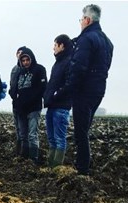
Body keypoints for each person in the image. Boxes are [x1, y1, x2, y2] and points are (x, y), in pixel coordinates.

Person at [68, 4, 113, 176]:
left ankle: (82, 170)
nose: (80, 23)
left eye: (81, 20)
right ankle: (84, 164)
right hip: (99, 89)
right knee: (84, 129)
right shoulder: (107, 41)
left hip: (84, 90)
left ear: (87, 20)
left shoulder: (86, 39)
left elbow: (78, 67)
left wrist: (71, 87)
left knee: (81, 131)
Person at [10, 47, 47, 163]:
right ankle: (24, 157)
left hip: (33, 108)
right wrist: (16, 101)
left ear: (31, 59)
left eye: (27, 60)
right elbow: (14, 88)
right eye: (23, 60)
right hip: (21, 109)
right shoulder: (19, 72)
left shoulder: (39, 69)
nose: (25, 62)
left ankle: (33, 159)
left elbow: (42, 88)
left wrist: (30, 100)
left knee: (32, 134)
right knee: (22, 135)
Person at [43, 34, 73, 167]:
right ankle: (50, 166)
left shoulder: (69, 62)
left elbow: (69, 84)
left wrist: (55, 94)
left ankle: (56, 167)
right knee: (51, 139)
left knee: (59, 139)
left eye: (55, 45)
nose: (53, 48)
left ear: (62, 46)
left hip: (61, 107)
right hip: (52, 105)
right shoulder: (57, 63)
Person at [9, 46, 25, 156]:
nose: (20, 54)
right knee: (17, 128)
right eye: (18, 53)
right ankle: (18, 151)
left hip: (25, 103)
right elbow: (12, 83)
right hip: (15, 102)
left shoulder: (28, 68)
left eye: (22, 53)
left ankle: (24, 152)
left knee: (24, 129)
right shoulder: (14, 69)